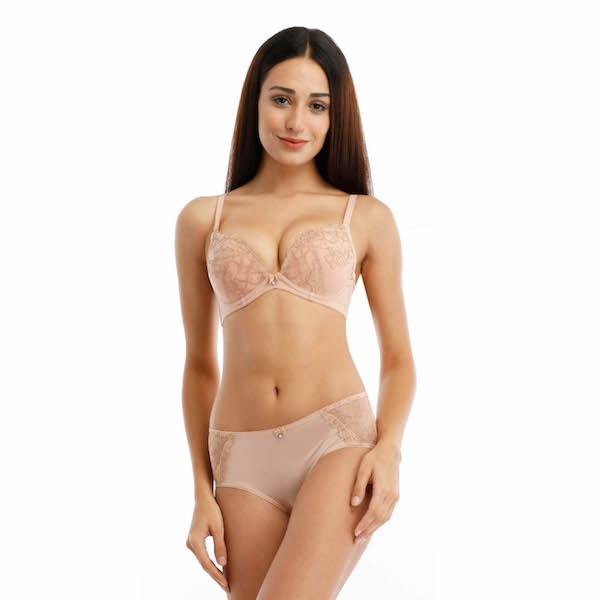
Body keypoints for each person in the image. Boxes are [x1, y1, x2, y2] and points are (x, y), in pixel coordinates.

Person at [175, 27, 416, 598]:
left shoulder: (365, 217)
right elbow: (199, 365)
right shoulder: (202, 220)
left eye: (317, 106)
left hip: (337, 439)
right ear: (255, 101)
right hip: (239, 455)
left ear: (334, 118)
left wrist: (388, 449)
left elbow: (399, 359)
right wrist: (201, 490)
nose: (295, 122)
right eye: (281, 99)